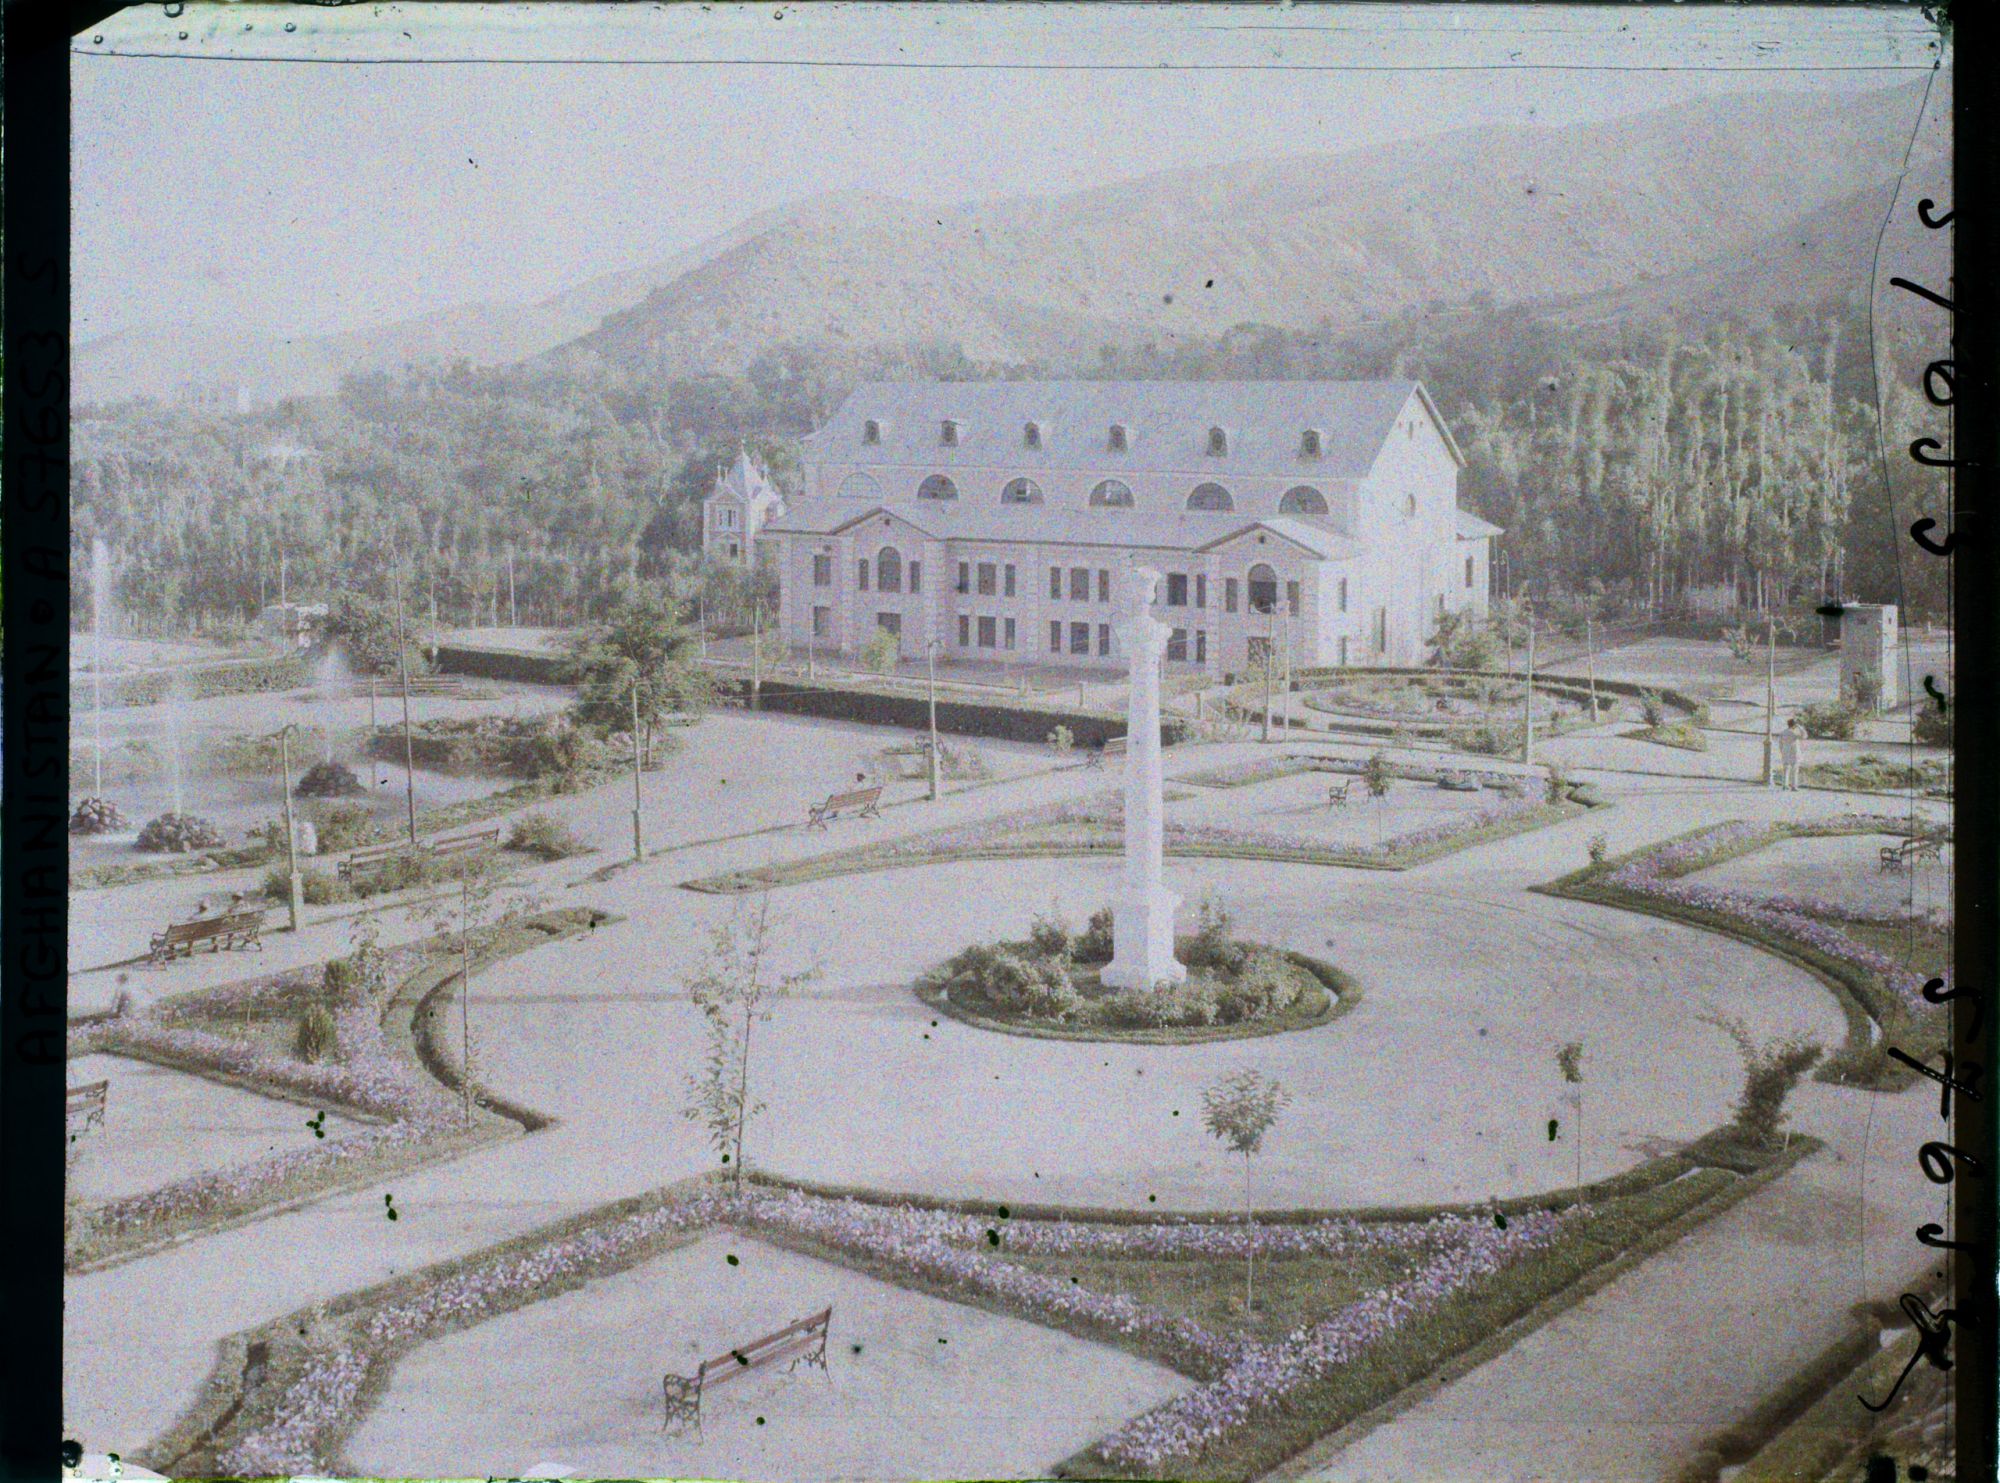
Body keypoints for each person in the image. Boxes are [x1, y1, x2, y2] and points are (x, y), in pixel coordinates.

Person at [1779, 715, 1805, 790]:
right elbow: (1804, 736)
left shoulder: (1783, 732)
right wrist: (1800, 727)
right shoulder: (1794, 733)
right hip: (1794, 751)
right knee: (1795, 768)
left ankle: (1785, 785)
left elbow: (1780, 743)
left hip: (1785, 750)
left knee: (1786, 768)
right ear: (1794, 725)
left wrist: (1781, 751)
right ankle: (1794, 786)